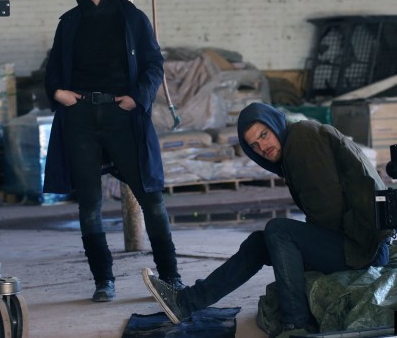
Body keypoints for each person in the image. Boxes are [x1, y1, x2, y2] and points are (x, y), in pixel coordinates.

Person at [141, 102, 393, 338]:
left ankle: (296, 324)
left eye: (264, 135)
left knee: (278, 231)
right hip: (356, 240)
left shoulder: (302, 140)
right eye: (254, 145)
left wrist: (300, 253)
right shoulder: (296, 142)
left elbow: (329, 210)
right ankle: (185, 303)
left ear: (275, 124)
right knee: (259, 243)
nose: (262, 147)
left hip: (363, 249)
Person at [43, 0, 183, 302]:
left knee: (151, 197)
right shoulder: (69, 23)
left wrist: (138, 97)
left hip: (124, 116)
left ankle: (171, 276)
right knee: (89, 204)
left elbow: (154, 64)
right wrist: (57, 93)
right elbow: (53, 69)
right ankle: (103, 280)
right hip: (80, 119)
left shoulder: (131, 17)